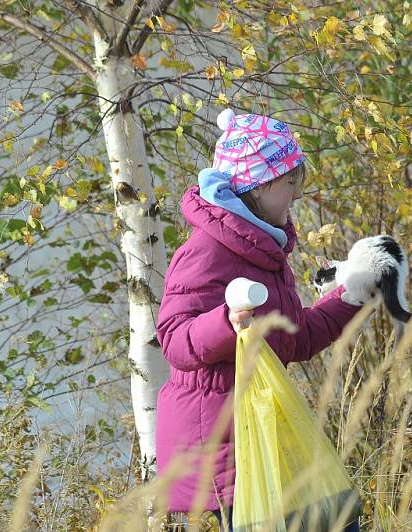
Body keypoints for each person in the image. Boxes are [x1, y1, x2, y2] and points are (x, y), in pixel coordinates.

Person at [155, 109, 363, 530]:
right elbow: (175, 340)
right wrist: (226, 322)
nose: (295, 195)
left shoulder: (262, 246)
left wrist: (354, 295)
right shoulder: (208, 250)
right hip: (219, 442)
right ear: (258, 185)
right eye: (290, 183)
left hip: (260, 432)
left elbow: (295, 339)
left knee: (338, 519)